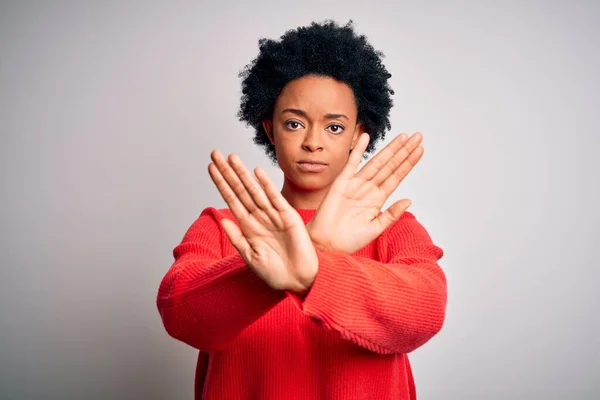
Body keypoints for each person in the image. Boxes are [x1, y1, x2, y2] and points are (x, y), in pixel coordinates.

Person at [156, 19, 447, 400]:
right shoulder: (223, 226)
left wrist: (315, 267)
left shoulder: (391, 227)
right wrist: (283, 264)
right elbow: (181, 314)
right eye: (294, 123)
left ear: (359, 134)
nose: (313, 142)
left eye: (335, 128)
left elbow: (424, 313)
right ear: (270, 130)